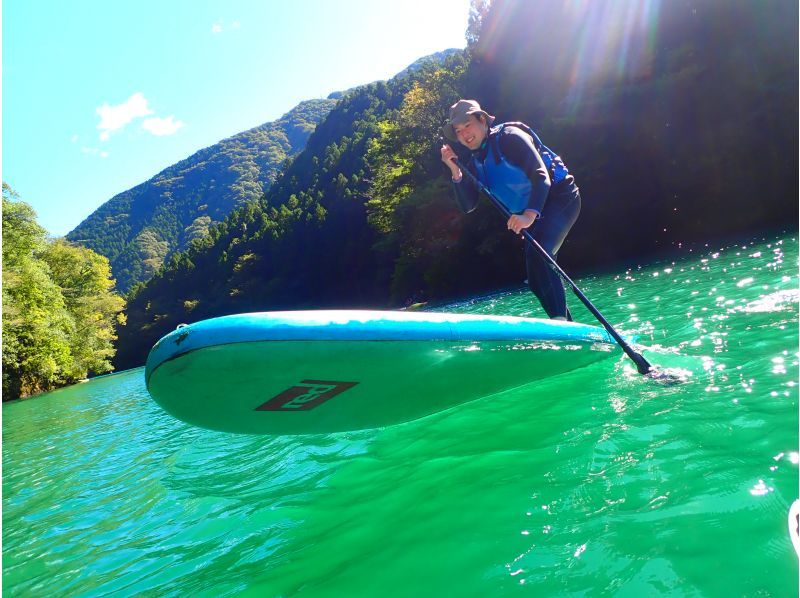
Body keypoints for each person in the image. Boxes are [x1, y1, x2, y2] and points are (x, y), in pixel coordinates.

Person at [440, 99, 581, 321]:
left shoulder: (511, 137)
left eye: (467, 125)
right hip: (534, 215)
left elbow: (541, 175)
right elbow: (468, 206)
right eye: (458, 130)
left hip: (560, 198)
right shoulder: (473, 161)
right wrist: (455, 171)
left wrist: (528, 215)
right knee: (536, 277)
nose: (464, 133)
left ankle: (560, 322)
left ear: (482, 119)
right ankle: (567, 326)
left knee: (540, 254)